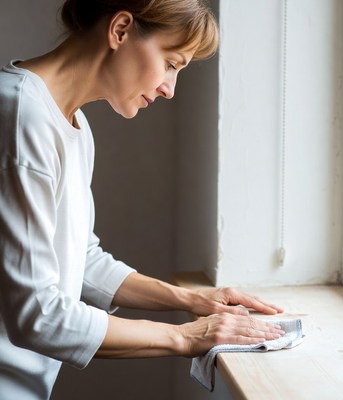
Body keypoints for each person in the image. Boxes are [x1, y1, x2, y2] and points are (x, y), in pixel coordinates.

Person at [0, 0, 285, 398]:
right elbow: (37, 316)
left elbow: (80, 260)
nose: (169, 89)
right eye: (171, 63)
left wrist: (192, 300)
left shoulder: (74, 125)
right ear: (120, 30)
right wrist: (185, 337)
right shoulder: (19, 116)